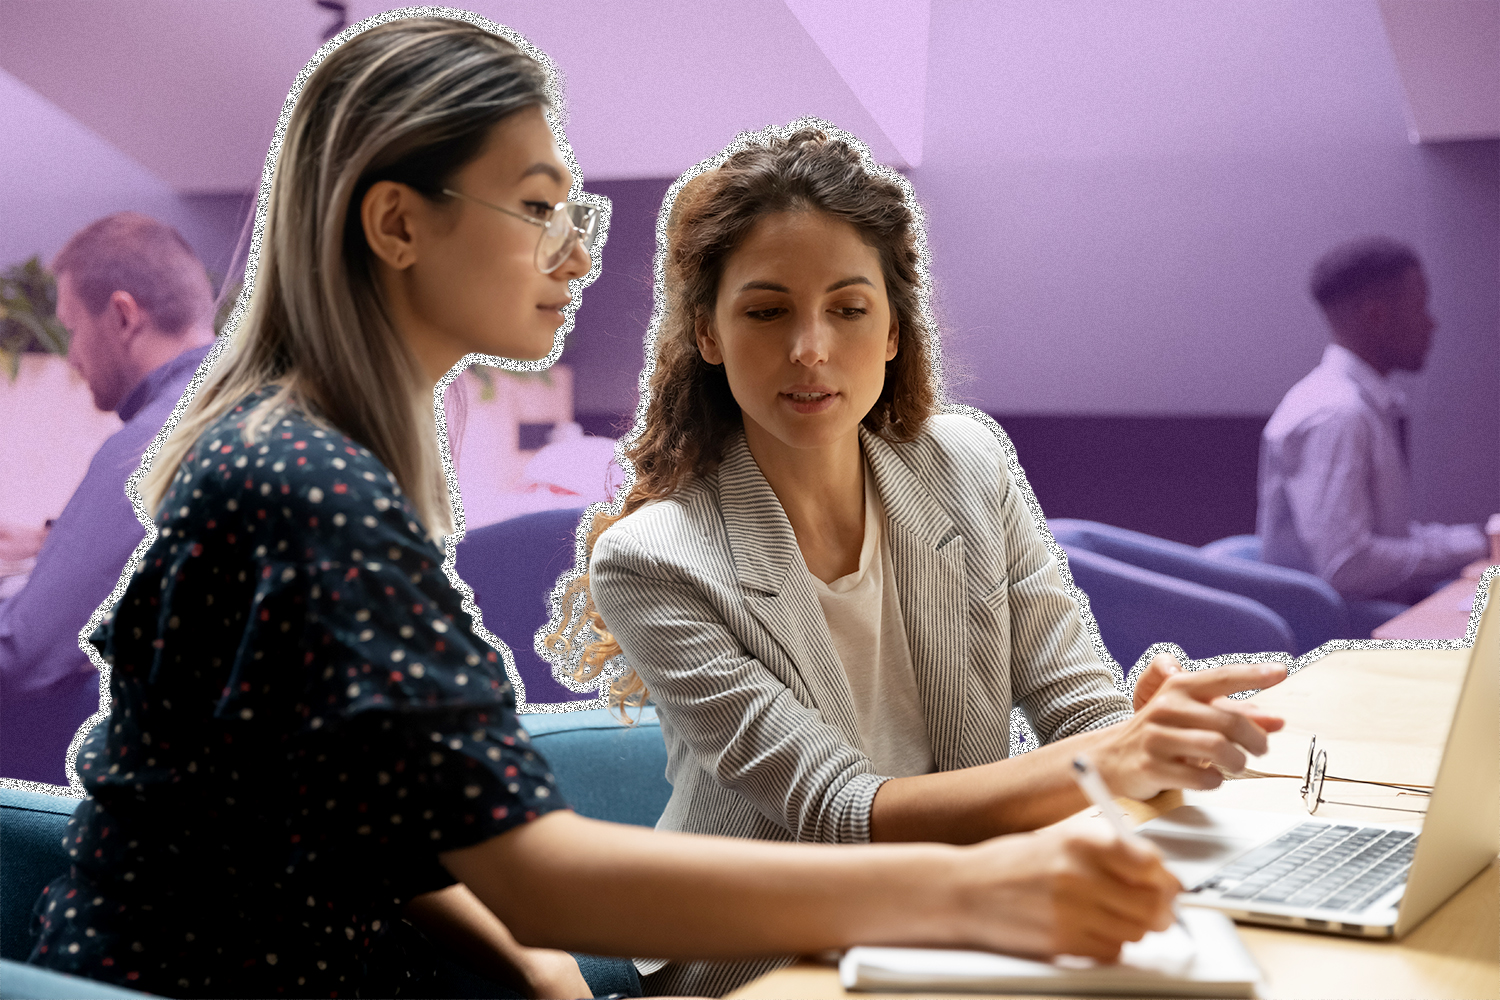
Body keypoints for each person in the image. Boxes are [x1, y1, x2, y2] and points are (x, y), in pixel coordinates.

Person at [26, 19, 1181, 1000]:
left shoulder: (315, 455)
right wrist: (983, 888)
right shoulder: (306, 487)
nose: (576, 257)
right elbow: (539, 871)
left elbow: (360, 801)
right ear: (397, 225)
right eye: (538, 207)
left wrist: (531, 964)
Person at [556, 127, 1288, 998]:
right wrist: (1111, 758)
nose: (810, 348)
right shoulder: (654, 561)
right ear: (707, 335)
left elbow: (1075, 704)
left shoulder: (968, 464)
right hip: (770, 960)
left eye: (849, 307)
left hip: (979, 921)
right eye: (766, 310)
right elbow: (837, 814)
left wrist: (1146, 733)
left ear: (895, 328)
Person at [0, 212, 216, 785]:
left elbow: (24, 653)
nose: (71, 355)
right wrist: (53, 540)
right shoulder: (238, 409)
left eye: (71, 328)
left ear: (122, 315)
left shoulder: (154, 441)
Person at [1257, 237, 1488, 611]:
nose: (1433, 323)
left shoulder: (1354, 404)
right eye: (1420, 307)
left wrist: (1479, 540)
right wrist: (1476, 545)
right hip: (1342, 641)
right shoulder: (1338, 415)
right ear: (1377, 317)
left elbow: (1381, 538)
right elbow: (1347, 565)